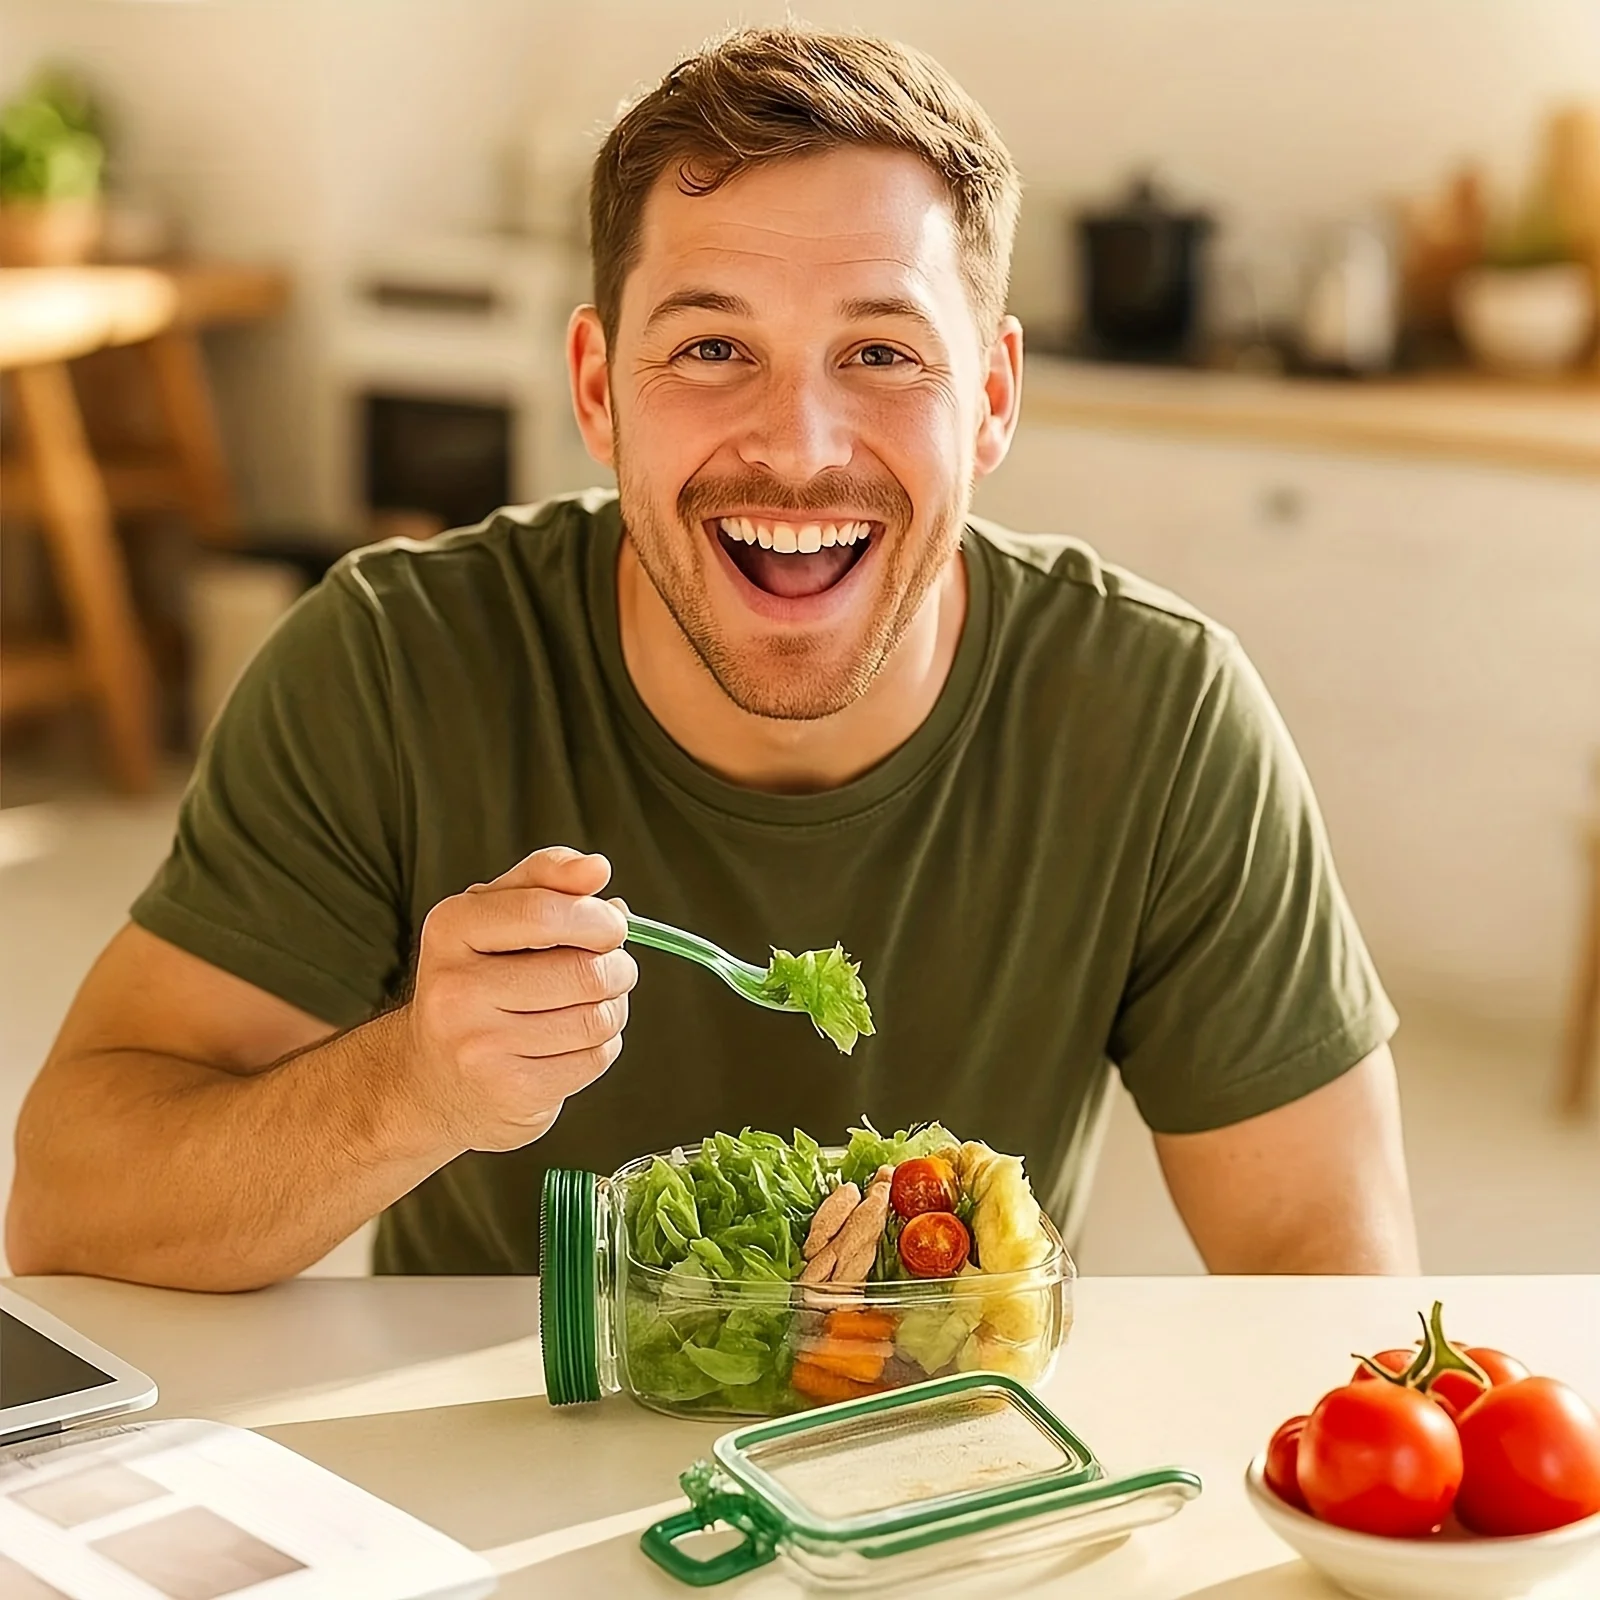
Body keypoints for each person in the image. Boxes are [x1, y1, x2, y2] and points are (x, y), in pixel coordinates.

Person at [7, 27, 1417, 1290]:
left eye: (879, 353)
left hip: (944, 1491)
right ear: (597, 390)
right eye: (709, 348)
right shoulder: (389, 665)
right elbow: (70, 1202)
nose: (798, 449)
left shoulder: (1158, 714)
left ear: (989, 399)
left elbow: (1319, 1267)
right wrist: (413, 1089)